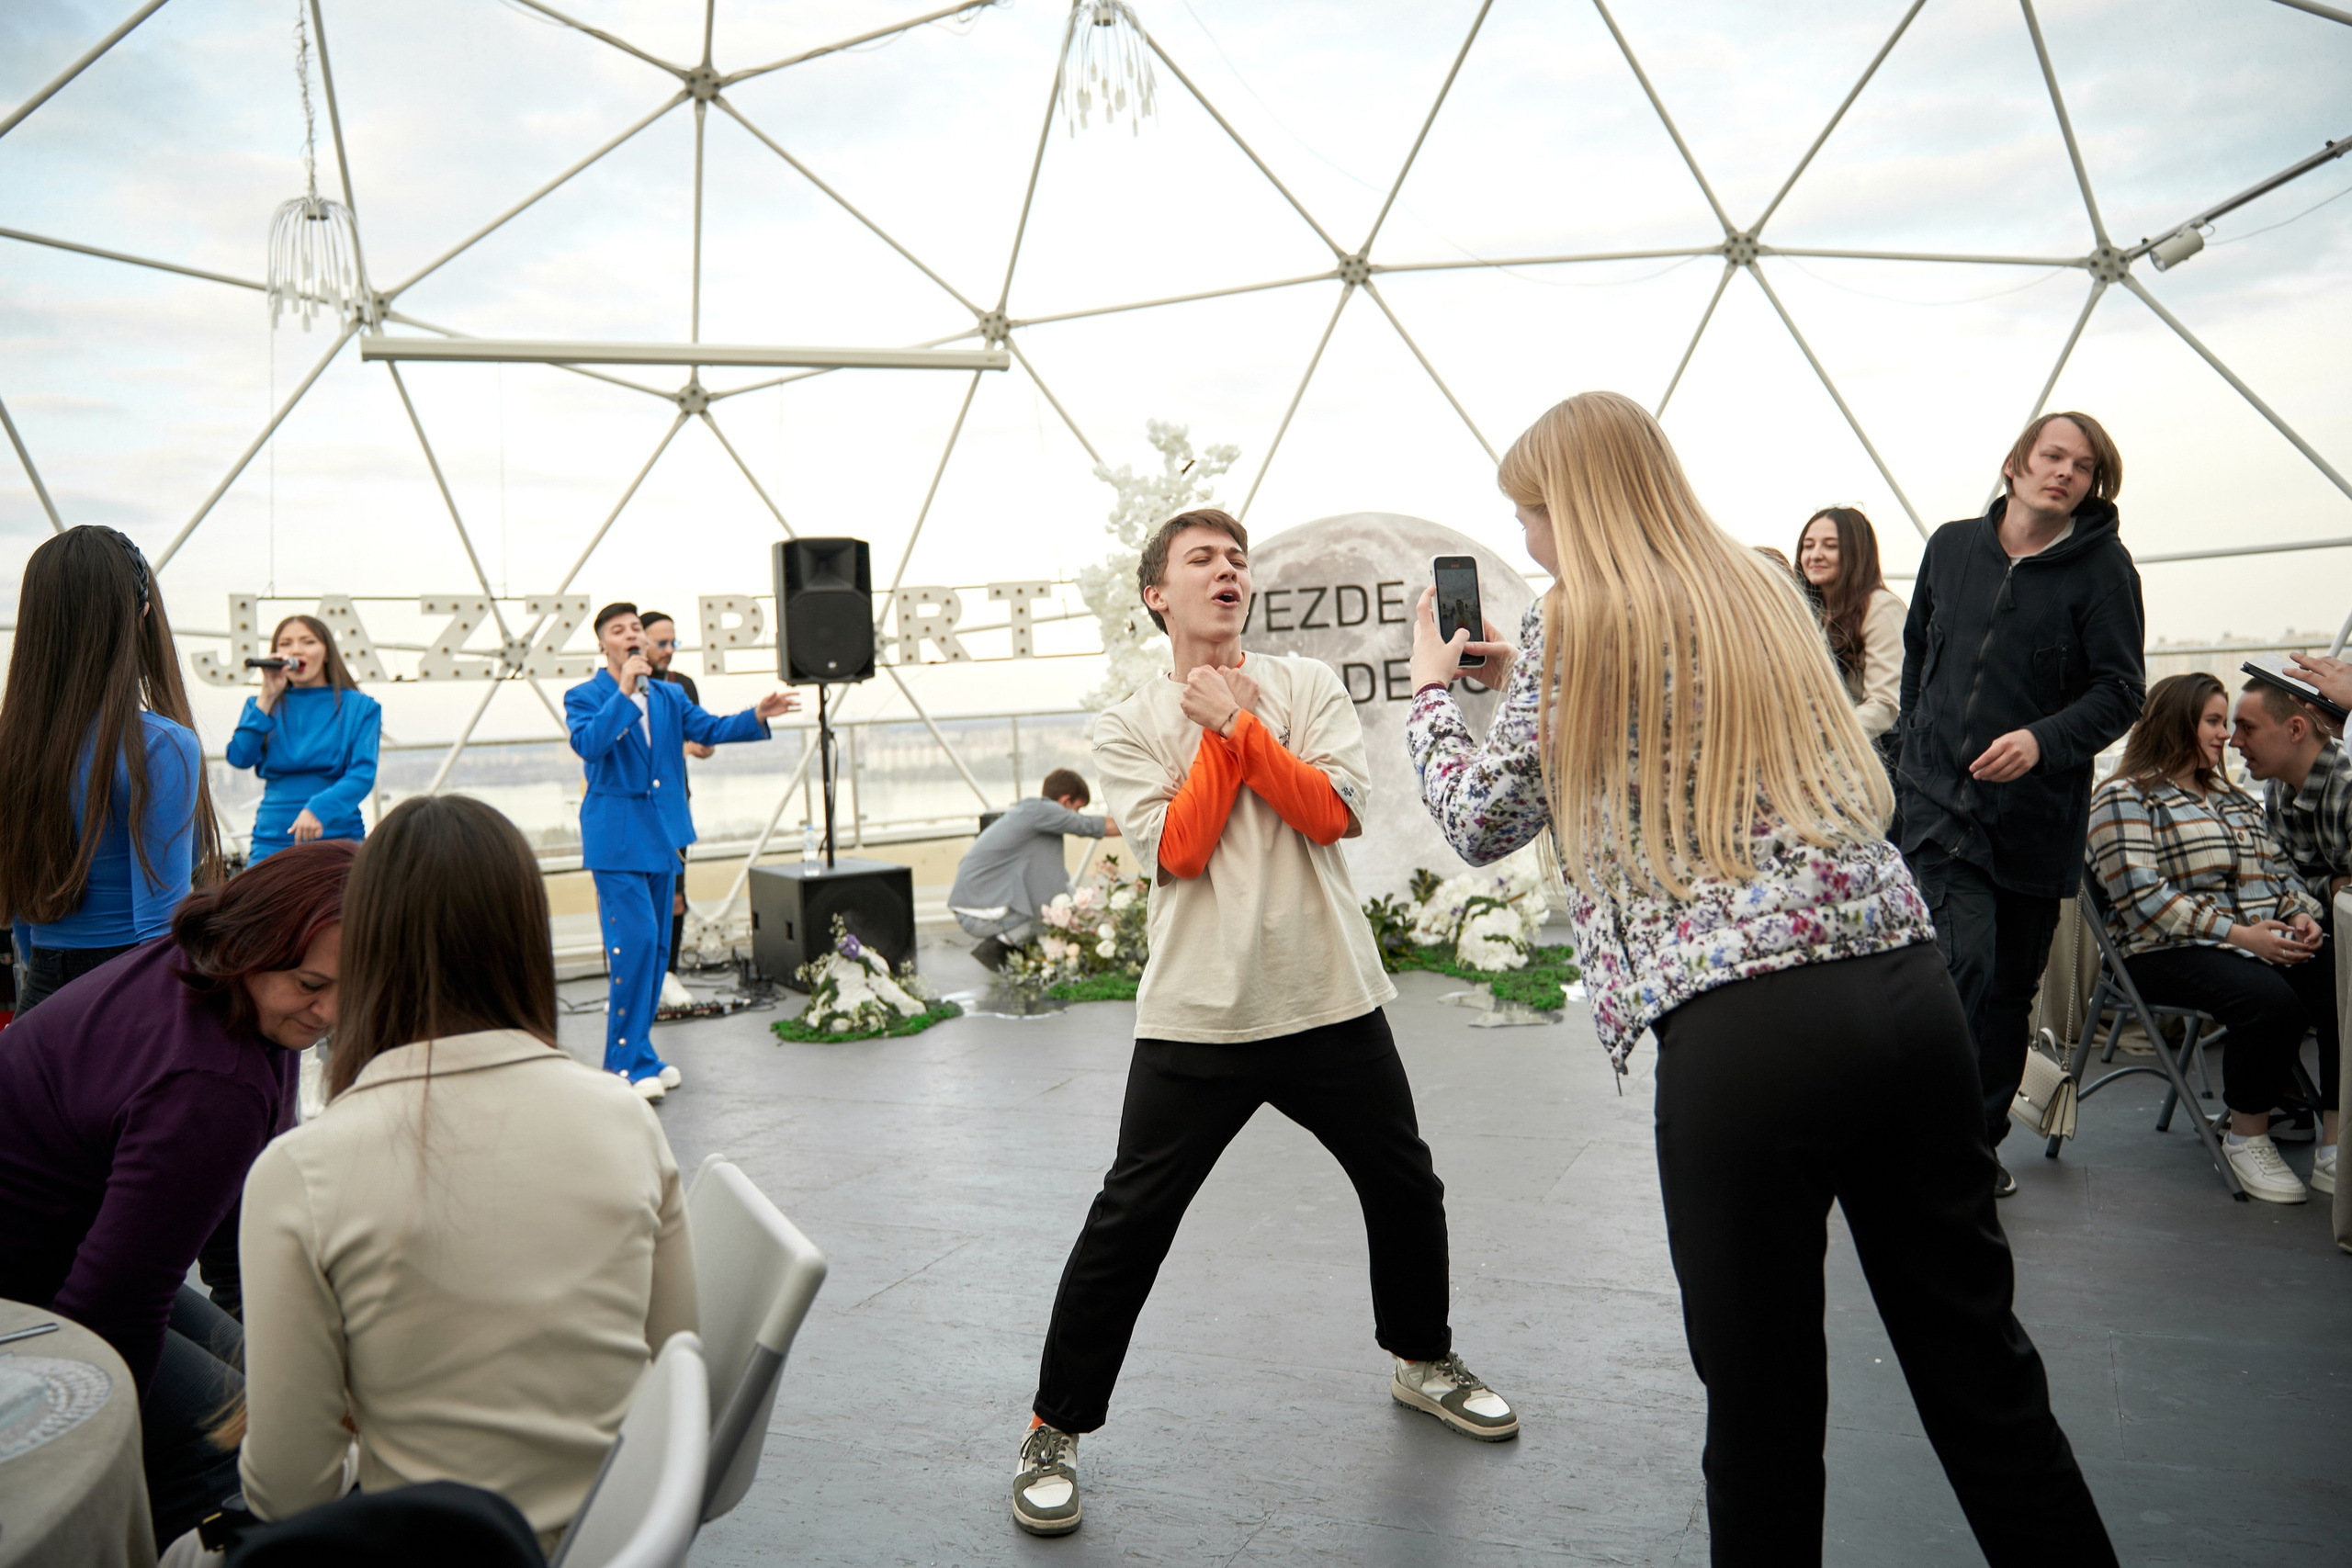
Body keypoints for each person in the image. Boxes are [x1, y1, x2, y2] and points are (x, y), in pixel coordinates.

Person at [1408, 391, 2116, 1564]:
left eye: (1531, 516)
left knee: (1765, 1414)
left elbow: (1483, 817)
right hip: (1904, 992)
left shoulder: (1573, 615)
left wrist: (1436, 694)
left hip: (1749, 1036)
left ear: (1570, 508)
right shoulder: (1757, 585)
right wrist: (1523, 682)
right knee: (1983, 1379)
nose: (1529, 543)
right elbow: (1685, 727)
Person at [1010, 508, 1517, 1541]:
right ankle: (1052, 1428)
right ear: (1157, 594)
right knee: (1130, 1223)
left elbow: (1330, 814)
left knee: (1403, 1184)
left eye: (1236, 558)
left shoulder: (1303, 688)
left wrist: (1239, 726)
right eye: (1201, 559)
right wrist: (1216, 729)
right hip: (1198, 1013)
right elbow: (1184, 850)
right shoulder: (1125, 721)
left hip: (1326, 993)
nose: (1227, 570)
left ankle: (1422, 1360)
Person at [231, 795, 695, 1561]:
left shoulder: (301, 1172)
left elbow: (287, 1492)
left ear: (368, 947)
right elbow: (679, 1363)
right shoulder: (626, 1121)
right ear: (524, 935)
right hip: (622, 1538)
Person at [0, 840, 353, 1547]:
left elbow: (232, 1223)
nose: (329, 1012)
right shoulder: (208, 1085)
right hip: (24, 1291)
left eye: (353, 985)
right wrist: (82, 1452)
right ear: (254, 945)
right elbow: (112, 1308)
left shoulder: (204, 973)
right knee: (230, 1451)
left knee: (285, 1391)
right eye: (311, 983)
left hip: (66, 1248)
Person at [1896, 412, 2145, 1197]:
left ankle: (1975, 1143)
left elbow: (2121, 692)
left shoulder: (2105, 569)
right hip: (1939, 806)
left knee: (2007, 991)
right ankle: (1921, 1136)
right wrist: (1913, 761)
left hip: (2036, 821)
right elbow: (1918, 661)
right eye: (2053, 456)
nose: (2066, 472)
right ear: (2015, 464)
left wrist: (2041, 740)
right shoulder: (1949, 547)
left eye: (2084, 466)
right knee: (1959, 963)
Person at [2086, 674, 2334, 1202]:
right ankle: (2247, 1137)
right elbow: (2143, 901)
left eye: (2233, 723)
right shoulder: (2123, 797)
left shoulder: (2232, 798)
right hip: (2159, 950)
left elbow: (2278, 872)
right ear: (2178, 723)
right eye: (2216, 722)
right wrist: (2244, 936)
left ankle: (2336, 1143)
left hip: (2244, 940)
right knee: (2269, 1002)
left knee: (2340, 975)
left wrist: (2302, 915)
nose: (2228, 736)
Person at [566, 602, 797, 1099]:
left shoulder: (669, 696)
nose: (630, 636)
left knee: (656, 951)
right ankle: (621, 1064)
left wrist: (757, 716)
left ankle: (641, 1053)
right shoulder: (586, 695)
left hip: (662, 834)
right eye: (618, 630)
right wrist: (624, 691)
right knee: (637, 944)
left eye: (635, 630)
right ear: (603, 643)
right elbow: (590, 745)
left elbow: (709, 729)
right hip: (616, 837)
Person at [0, 525, 220, 1014]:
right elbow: (159, 929)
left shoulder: (13, 746)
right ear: (141, 614)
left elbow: (18, 903)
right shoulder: (160, 747)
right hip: (129, 992)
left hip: (40, 993)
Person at [226, 615, 383, 863]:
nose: (296, 650)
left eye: (308, 641)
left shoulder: (361, 707)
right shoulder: (260, 705)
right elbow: (239, 757)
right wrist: (267, 696)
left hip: (337, 835)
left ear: (327, 653)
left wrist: (319, 809)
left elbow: (362, 774)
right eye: (286, 643)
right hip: (272, 838)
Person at [948, 768, 1120, 969]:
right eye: (1077, 808)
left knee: (1065, 900)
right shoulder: (1043, 811)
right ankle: (1000, 947)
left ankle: (1016, 951)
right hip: (978, 913)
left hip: (975, 905)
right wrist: (1147, 822)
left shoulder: (1034, 815)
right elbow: (1093, 826)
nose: (1077, 816)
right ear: (1065, 801)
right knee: (1053, 913)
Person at [1795, 506, 1905, 747]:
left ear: (1855, 552)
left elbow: (1884, 705)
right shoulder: (1808, 613)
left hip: (1863, 754)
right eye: (1808, 545)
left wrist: (1821, 739)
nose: (1815, 554)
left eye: (1830, 546)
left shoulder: (1881, 608)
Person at [639, 610, 707, 973]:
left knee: (676, 897)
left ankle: (669, 975)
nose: (668, 650)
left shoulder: (683, 684)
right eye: (661, 643)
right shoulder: (626, 686)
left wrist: (703, 745)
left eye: (673, 643)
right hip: (638, 809)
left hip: (674, 805)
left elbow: (699, 733)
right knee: (640, 898)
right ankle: (642, 975)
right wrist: (681, 747)